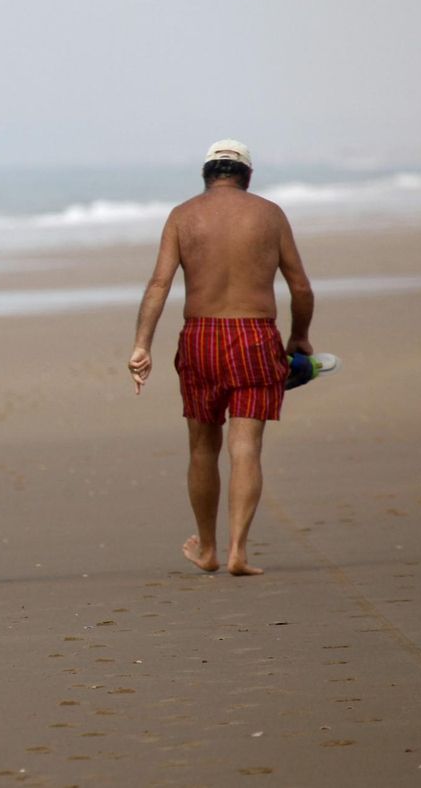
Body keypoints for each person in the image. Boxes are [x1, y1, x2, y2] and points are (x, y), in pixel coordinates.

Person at [128, 140, 314, 576]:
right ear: (247, 177)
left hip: (201, 337)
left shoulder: (182, 215)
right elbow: (301, 288)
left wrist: (142, 343)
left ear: (207, 175)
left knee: (202, 448)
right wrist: (299, 337)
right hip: (255, 336)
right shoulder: (270, 215)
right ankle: (238, 552)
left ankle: (208, 548)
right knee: (245, 446)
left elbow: (158, 285)